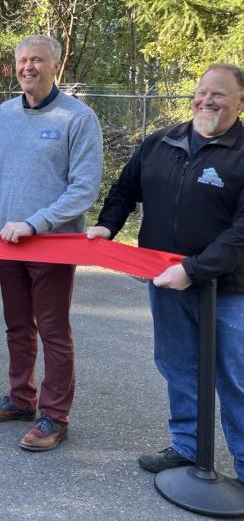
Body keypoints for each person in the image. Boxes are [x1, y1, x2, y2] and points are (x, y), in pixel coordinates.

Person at [87, 63, 244, 483]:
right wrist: (107, 225)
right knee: (178, 366)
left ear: (240, 101)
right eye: (202, 92)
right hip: (167, 281)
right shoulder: (160, 143)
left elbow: (241, 232)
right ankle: (187, 447)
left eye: (219, 94)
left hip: (231, 289)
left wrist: (193, 269)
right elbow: (125, 189)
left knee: (236, 379)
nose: (206, 100)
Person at [0, 35, 103, 451]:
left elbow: (84, 190)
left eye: (37, 60)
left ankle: (54, 416)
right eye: (23, 60)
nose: (28, 67)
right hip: (7, 243)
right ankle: (20, 399)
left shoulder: (78, 118)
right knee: (17, 326)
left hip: (52, 245)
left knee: (53, 331)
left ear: (55, 66)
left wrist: (35, 224)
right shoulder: (4, 114)